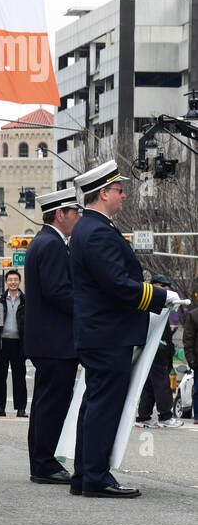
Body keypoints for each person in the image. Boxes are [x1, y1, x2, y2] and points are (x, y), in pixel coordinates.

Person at [68, 160, 178, 498]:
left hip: (101, 331)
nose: (124, 195)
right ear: (103, 193)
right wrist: (159, 296)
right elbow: (118, 284)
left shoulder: (91, 229)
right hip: (107, 332)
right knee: (104, 405)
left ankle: (85, 474)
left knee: (95, 402)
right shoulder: (97, 232)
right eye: (118, 190)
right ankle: (96, 477)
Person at [24, 188, 81, 485]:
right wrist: (87, 309)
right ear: (60, 214)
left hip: (47, 339)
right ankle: (45, 464)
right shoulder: (52, 245)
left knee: (44, 402)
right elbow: (58, 292)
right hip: (55, 341)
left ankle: (40, 461)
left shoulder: (43, 242)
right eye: (75, 212)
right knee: (53, 402)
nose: (78, 217)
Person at [135, 274, 182, 429]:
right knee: (161, 382)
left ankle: (143, 416)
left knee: (150, 383)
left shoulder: (159, 301)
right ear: (154, 285)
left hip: (157, 346)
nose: (167, 287)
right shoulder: (151, 300)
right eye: (163, 285)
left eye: (168, 285)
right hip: (156, 346)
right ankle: (165, 416)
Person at [0, 269, 28, 417]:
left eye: (15, 280)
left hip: (19, 344)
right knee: (0, 376)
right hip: (2, 343)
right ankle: (0, 407)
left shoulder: (26, 301)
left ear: (19, 282)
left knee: (19, 376)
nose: (13, 282)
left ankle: (21, 408)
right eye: (10, 280)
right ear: (6, 282)